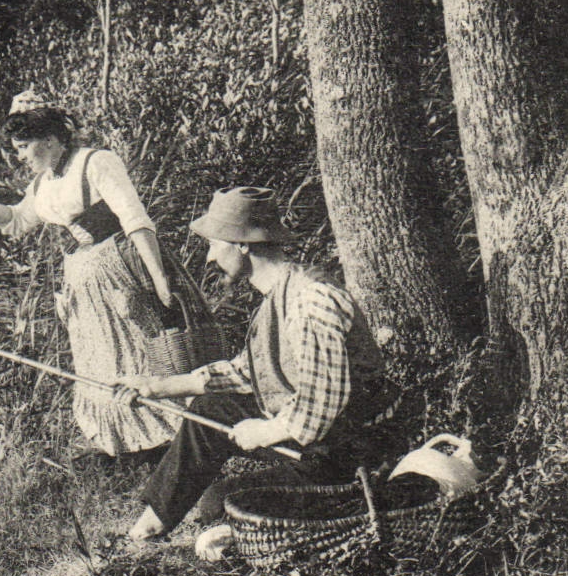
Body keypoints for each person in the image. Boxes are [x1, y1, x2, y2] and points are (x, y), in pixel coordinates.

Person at [117, 186, 388, 540]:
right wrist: (157, 386)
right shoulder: (279, 295)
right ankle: (153, 522)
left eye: (215, 244)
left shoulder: (310, 301)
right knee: (211, 407)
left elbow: (322, 407)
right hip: (318, 440)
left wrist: (265, 430)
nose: (211, 258)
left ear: (242, 244)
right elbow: (246, 372)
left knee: (219, 503)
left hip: (350, 456)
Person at [0, 90, 217, 457]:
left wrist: (160, 278)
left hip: (124, 273)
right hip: (84, 284)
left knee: (150, 355)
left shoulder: (97, 162)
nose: (20, 156)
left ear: (49, 139)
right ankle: (135, 449)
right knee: (105, 360)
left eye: (24, 146)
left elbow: (135, 219)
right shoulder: (42, 185)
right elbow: (14, 223)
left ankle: (184, 444)